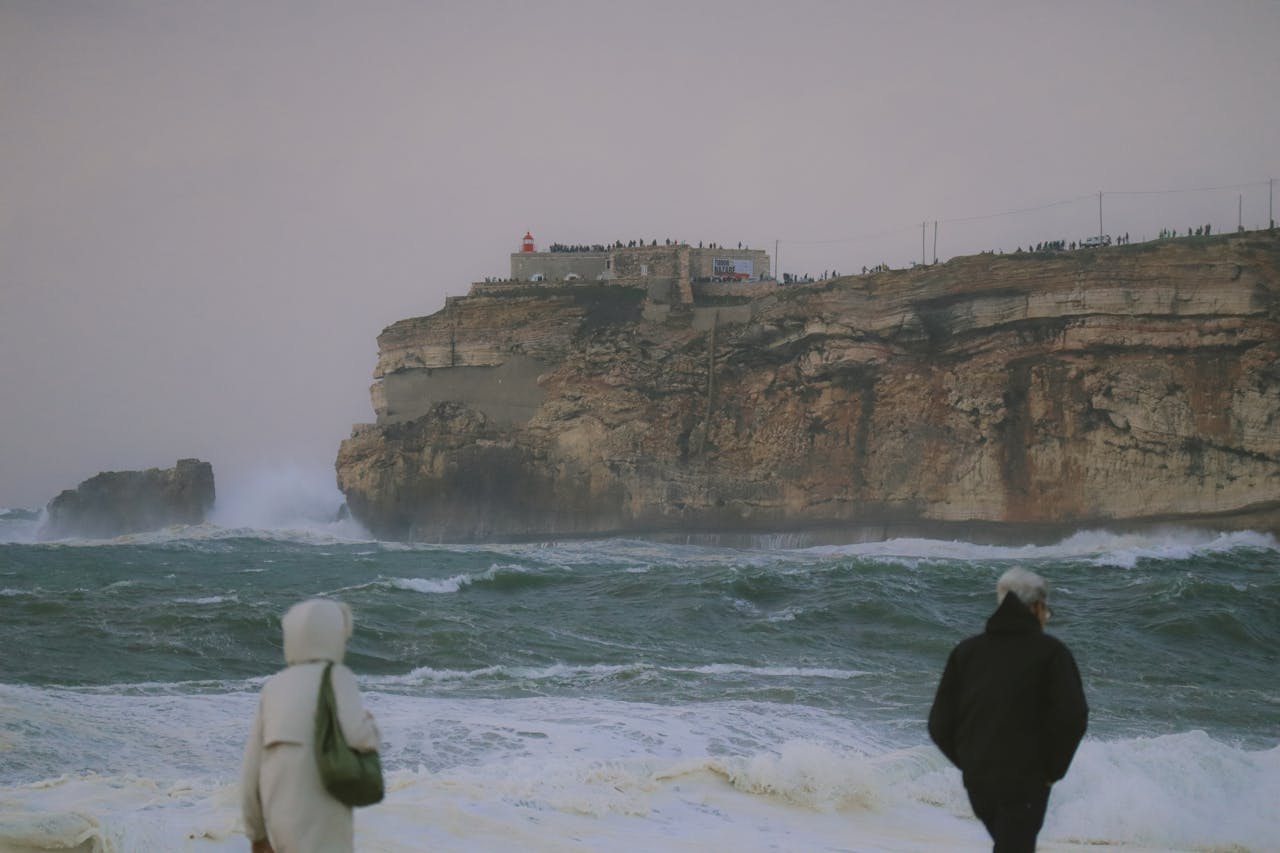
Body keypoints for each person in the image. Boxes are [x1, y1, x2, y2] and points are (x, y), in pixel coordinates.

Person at [928, 567, 1087, 852]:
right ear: (1037, 608)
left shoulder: (966, 652)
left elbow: (939, 724)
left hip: (979, 780)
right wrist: (1052, 770)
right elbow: (1072, 717)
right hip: (1026, 780)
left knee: (1009, 845)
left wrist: (971, 762)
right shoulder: (1051, 652)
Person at [241, 599, 381, 853]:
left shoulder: (273, 687)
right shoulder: (338, 677)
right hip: (323, 816)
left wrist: (257, 834)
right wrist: (370, 723)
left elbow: (251, 768)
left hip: (280, 815)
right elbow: (361, 737)